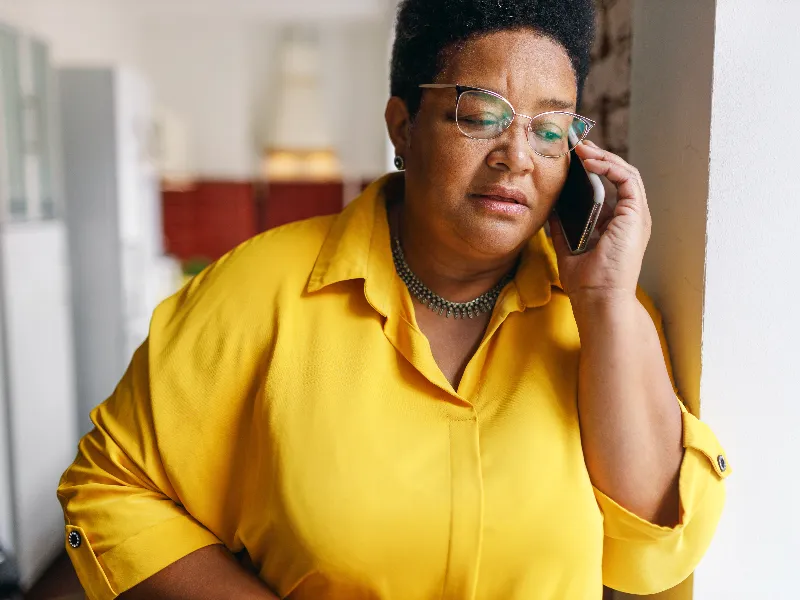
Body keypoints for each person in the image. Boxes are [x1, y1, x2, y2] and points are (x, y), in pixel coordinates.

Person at [57, 0, 730, 598]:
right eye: (478, 114)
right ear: (403, 127)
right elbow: (111, 488)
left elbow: (654, 555)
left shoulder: (603, 316)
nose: (516, 156)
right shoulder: (257, 289)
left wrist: (605, 299)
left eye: (550, 130)